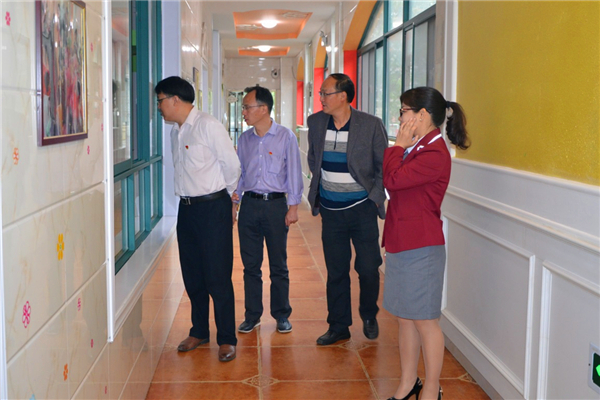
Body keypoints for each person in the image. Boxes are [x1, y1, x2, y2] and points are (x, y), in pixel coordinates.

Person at [382, 87, 470, 400]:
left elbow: (392, 180)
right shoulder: (418, 147)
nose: (400, 117)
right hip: (402, 242)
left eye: (404, 111)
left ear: (422, 114)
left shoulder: (434, 153)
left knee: (425, 321)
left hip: (421, 247)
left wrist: (397, 146)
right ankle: (409, 383)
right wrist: (401, 148)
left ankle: (431, 389)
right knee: (405, 318)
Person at [155, 76, 240, 362]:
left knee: (218, 276)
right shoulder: (175, 132)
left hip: (213, 207)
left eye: (160, 100)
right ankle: (199, 331)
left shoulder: (208, 126)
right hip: (187, 210)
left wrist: (227, 199)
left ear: (175, 100)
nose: (159, 107)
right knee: (192, 274)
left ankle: (226, 338)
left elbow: (232, 166)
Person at [307, 73, 388, 346]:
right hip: (331, 210)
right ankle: (338, 325)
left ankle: (369, 313)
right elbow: (313, 158)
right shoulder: (316, 122)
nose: (321, 98)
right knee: (336, 270)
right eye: (320, 93)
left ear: (343, 96)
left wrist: (374, 197)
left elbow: (383, 166)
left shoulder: (370, 125)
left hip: (362, 208)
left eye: (325, 93)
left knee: (368, 267)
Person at [233, 85, 303, 334]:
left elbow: (294, 172)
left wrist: (293, 207)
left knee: (278, 265)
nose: (243, 112)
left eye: (247, 107)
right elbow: (240, 174)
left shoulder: (286, 137)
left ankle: (281, 314)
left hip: (275, 206)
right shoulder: (244, 139)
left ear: (263, 109)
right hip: (249, 206)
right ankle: (252, 315)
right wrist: (234, 203)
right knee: (250, 265)